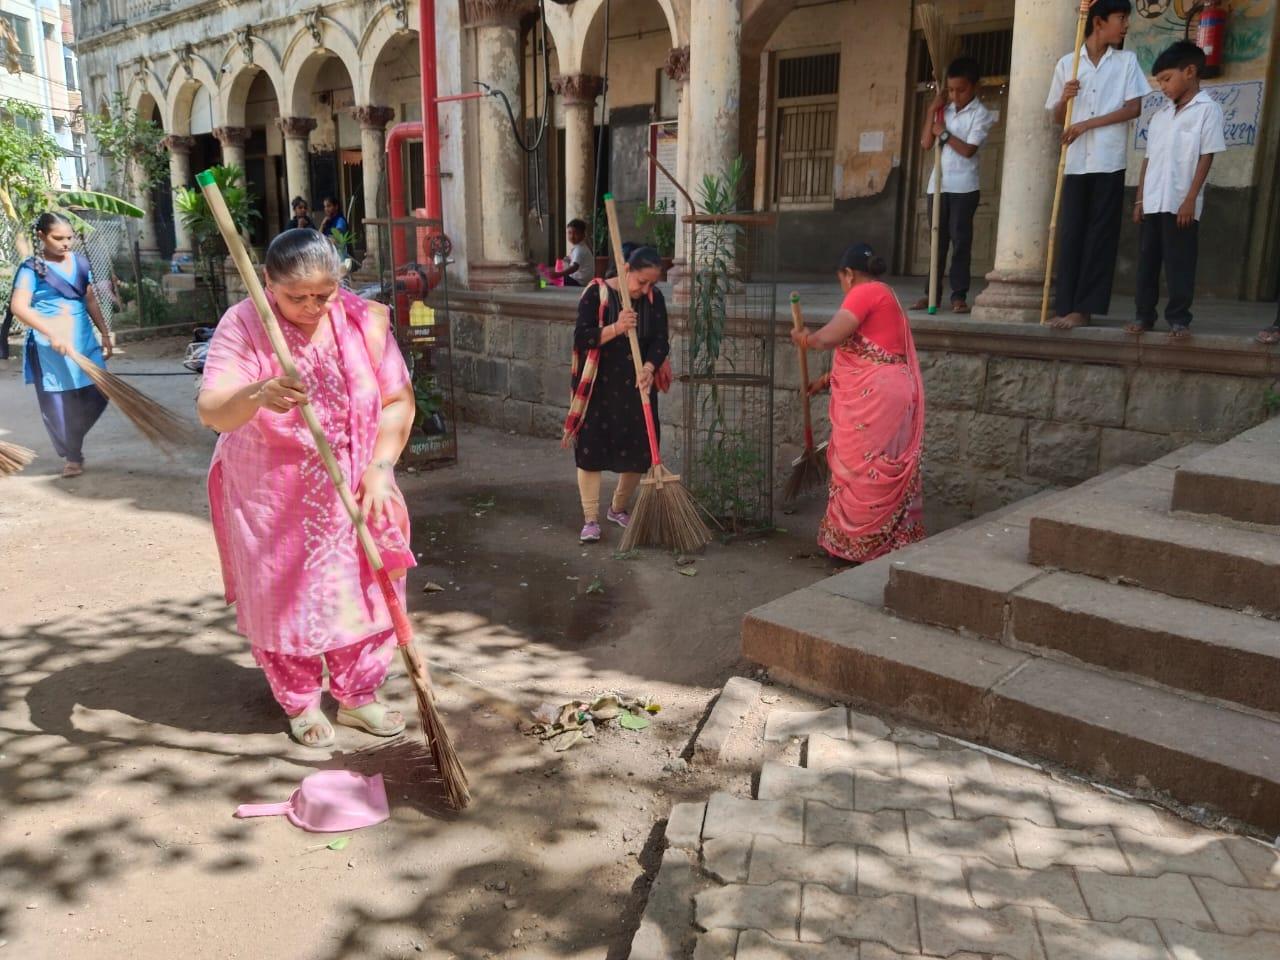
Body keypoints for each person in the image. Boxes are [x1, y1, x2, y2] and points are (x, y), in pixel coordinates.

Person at [196, 229, 416, 748]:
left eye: (325, 293)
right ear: (268, 283)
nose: (314, 306)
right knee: (285, 597)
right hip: (274, 494)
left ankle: (358, 696)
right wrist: (259, 392)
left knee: (362, 590)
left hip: (357, 481)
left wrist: (380, 468)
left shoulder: (364, 319)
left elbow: (398, 401)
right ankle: (299, 701)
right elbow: (212, 410)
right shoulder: (245, 323)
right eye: (298, 296)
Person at [791, 243, 925, 564]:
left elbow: (831, 337)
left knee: (862, 469)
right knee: (877, 465)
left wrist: (806, 339)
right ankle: (884, 542)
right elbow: (869, 348)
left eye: (841, 279)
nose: (842, 286)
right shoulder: (886, 294)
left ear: (849, 274)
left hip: (877, 397)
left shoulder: (864, 293)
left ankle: (860, 546)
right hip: (891, 392)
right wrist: (824, 381)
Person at [1045, 0, 1149, 330]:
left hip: (1108, 160)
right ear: (1099, 22)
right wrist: (1065, 98)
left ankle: (1085, 309)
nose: (1126, 26)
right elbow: (1057, 117)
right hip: (1074, 163)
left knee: (1100, 236)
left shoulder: (1126, 61)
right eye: (1121, 19)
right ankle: (1065, 306)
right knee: (1071, 232)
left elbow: (1133, 108)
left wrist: (1087, 125)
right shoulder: (1068, 64)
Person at [561, 245, 669, 543]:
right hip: (599, 387)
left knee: (639, 452)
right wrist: (617, 327)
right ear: (625, 270)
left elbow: (661, 340)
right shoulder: (595, 294)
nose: (645, 289)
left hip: (637, 388)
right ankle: (591, 518)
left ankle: (618, 508)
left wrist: (649, 366)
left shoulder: (654, 299)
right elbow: (583, 337)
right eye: (641, 281)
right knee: (591, 451)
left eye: (651, 283)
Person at [1126, 42, 1225, 342]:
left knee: (1179, 262)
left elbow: (1206, 156)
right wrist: (1140, 198)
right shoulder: (1160, 116)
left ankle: (1179, 318)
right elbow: (1148, 160)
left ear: (1190, 71)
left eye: (1167, 79)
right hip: (1153, 200)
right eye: (1159, 82)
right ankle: (1144, 315)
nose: (1163, 87)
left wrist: (1190, 199)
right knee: (1147, 262)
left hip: (1181, 202)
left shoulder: (1208, 111)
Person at [8, 212, 112, 478]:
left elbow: (89, 300)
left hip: (83, 340)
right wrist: (50, 330)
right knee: (61, 404)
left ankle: (72, 440)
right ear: (42, 236)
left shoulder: (79, 262)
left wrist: (104, 333)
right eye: (58, 238)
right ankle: (73, 456)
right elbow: (18, 307)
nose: (66, 243)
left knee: (100, 394)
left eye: (70, 238)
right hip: (50, 348)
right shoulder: (32, 269)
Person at [913, 56, 994, 315]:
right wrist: (930, 112)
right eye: (951, 90)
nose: (955, 95)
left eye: (961, 90)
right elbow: (926, 143)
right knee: (937, 240)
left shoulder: (981, 114)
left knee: (960, 242)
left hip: (964, 188)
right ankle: (931, 294)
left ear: (974, 87)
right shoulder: (942, 111)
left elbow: (968, 150)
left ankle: (959, 295)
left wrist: (944, 133)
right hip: (937, 185)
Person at [550, 218, 596, 287]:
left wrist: (558, 274)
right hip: (582, 280)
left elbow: (574, 267)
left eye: (576, 233)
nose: (572, 236)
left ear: (583, 235)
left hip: (579, 281)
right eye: (570, 233)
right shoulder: (581, 247)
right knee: (556, 281)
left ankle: (543, 285)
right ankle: (546, 284)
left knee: (555, 281)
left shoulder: (580, 249)